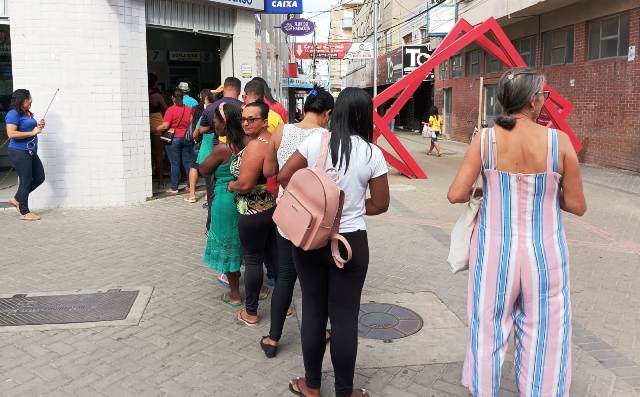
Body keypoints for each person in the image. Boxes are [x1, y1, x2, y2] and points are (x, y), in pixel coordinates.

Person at [447, 68, 586, 397]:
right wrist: (549, 191)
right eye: (544, 95)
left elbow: (455, 194)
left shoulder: (486, 139)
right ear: (534, 101)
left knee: (487, 330)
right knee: (546, 333)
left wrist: (485, 191)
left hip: (494, 251)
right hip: (545, 253)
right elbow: (578, 206)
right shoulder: (559, 142)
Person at [278, 87, 390, 397]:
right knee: (345, 318)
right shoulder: (372, 153)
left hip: (310, 239)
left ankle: (312, 385)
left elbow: (285, 176)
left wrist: (316, 207)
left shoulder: (316, 141)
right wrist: (348, 208)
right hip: (350, 242)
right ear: (365, 116)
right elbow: (381, 204)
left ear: (337, 111)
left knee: (313, 310)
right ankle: (344, 391)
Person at [260, 86, 334, 358]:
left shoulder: (283, 131)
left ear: (304, 109)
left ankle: (273, 339)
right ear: (327, 113)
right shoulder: (327, 138)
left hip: (287, 216)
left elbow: (269, 171)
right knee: (315, 279)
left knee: (285, 277)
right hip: (315, 222)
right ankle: (320, 331)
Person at [227, 101, 277, 327]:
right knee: (275, 259)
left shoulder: (257, 146)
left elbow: (246, 183)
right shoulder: (271, 139)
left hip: (252, 211)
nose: (245, 123)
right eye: (243, 119)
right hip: (270, 208)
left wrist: (231, 186)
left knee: (254, 261)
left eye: (252, 119)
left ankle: (251, 312)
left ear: (264, 121)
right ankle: (283, 306)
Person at [199, 102, 245, 307]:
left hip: (225, 203)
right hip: (247, 200)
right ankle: (259, 288)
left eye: (216, 119)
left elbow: (203, 169)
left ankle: (235, 294)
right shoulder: (249, 144)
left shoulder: (223, 150)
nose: (214, 123)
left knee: (228, 245)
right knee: (248, 247)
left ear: (225, 123)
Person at [6, 89, 47, 221]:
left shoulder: (27, 114)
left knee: (39, 177)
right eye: (28, 99)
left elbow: (31, 129)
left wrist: (39, 126)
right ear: (22, 100)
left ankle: (17, 199)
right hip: (19, 151)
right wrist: (33, 132)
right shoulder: (13, 114)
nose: (30, 101)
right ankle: (24, 212)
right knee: (26, 180)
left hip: (30, 151)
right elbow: (11, 134)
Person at [156, 89, 194, 194]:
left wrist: (156, 128)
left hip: (174, 139)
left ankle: (174, 188)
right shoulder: (189, 109)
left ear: (172, 98)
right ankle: (191, 186)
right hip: (186, 138)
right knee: (187, 163)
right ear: (182, 98)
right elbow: (192, 122)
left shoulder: (170, 110)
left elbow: (166, 126)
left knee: (175, 164)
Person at [185, 88, 212, 203]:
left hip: (199, 142)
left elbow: (191, 122)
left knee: (194, 166)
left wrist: (195, 139)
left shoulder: (196, 109)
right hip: (210, 143)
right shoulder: (215, 110)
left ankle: (192, 194)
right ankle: (207, 194)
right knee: (210, 169)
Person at [149, 73, 168, 189]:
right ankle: (161, 181)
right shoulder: (157, 96)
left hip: (145, 126)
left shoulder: (143, 94)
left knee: (150, 154)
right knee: (159, 154)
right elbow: (166, 110)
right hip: (157, 126)